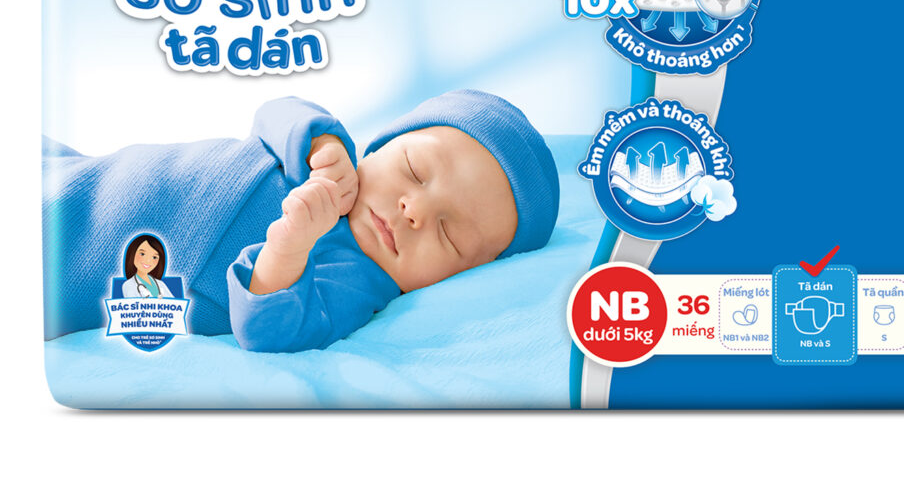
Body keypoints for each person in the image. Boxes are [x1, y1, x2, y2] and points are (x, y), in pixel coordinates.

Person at [43, 90, 559, 352]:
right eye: (414, 170)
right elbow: (274, 111)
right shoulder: (325, 158)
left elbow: (270, 330)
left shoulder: (360, 281)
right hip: (102, 174)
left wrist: (288, 250)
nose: (414, 211)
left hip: (86, 257)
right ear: (383, 144)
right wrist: (321, 140)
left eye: (449, 234)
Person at [121, 234, 175, 298]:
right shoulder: (128, 285)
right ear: (132, 253)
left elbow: (175, 302)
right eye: (142, 254)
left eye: (154, 257)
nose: (148, 261)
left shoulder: (160, 284)